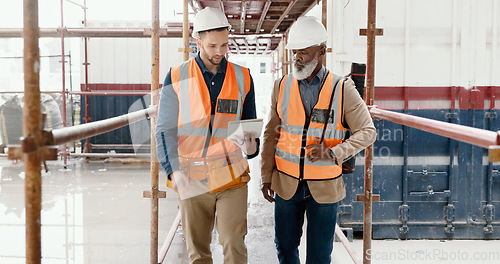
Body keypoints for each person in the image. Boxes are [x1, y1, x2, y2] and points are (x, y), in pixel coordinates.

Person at [260, 16, 377, 264]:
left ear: (322, 52)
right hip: (286, 184)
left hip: (324, 189)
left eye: (304, 52)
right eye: (295, 52)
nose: (297, 58)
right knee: (285, 247)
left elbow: (368, 132)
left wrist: (333, 153)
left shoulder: (342, 88)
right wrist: (266, 176)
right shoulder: (281, 85)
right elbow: (271, 135)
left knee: (319, 256)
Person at [155, 7, 259, 264]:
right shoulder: (177, 76)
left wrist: (252, 145)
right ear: (197, 41)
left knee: (234, 244)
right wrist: (172, 170)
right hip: (193, 176)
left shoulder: (243, 76)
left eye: (224, 44)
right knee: (198, 252)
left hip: (231, 176)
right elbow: (165, 129)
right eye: (213, 45)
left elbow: (251, 127)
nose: (220, 52)